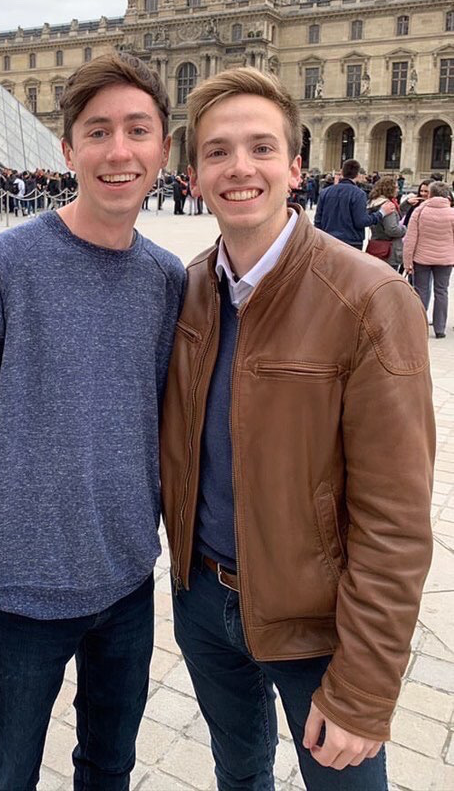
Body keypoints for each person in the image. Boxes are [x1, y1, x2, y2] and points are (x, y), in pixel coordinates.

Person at [159, 67, 434, 789]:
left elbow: (397, 520)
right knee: (238, 776)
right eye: (217, 151)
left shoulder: (371, 298)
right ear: (193, 175)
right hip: (204, 600)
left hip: (318, 626)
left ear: (296, 167)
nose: (239, 167)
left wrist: (367, 689)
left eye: (260, 147)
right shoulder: (187, 289)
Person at [0, 52, 185, 790]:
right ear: (67, 146)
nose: (119, 151)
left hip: (127, 581)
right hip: (21, 591)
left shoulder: (169, 279)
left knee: (109, 767)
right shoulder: (2, 265)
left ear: (163, 148)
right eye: (98, 131)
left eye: (137, 130)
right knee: (7, 774)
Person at [403, 180, 454, 339]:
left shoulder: (419, 212)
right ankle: (440, 328)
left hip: (422, 258)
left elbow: (411, 238)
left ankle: (419, 325)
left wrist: (407, 261)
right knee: (442, 291)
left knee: (421, 291)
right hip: (445, 259)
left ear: (430, 194)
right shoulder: (452, 213)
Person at [314, 158, 392, 248]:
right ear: (357, 175)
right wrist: (381, 213)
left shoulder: (325, 192)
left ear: (342, 172)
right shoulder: (359, 194)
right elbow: (361, 221)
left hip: (328, 241)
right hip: (351, 243)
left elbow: (318, 221)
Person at [365, 176, 406, 269]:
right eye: (396, 187)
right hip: (390, 250)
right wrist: (404, 229)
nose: (398, 190)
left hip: (376, 245)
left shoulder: (373, 202)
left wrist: (406, 204)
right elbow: (392, 229)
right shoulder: (388, 205)